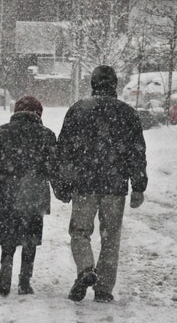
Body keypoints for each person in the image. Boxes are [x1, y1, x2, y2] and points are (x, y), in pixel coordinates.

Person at [55, 65, 148, 303]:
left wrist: (63, 183)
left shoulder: (78, 110)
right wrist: (138, 185)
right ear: (115, 84)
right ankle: (104, 288)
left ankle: (86, 268)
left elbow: (64, 150)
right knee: (111, 236)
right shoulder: (127, 113)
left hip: (84, 183)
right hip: (115, 186)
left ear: (93, 84)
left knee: (80, 231)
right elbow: (137, 152)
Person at [0, 96, 58, 296]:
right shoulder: (47, 135)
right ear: (39, 114)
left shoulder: (3, 132)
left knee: (8, 234)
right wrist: (62, 190)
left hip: (7, 193)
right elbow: (53, 168)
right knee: (31, 237)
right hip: (35, 194)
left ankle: (6, 262)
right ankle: (24, 280)